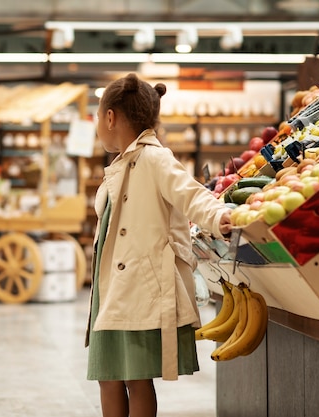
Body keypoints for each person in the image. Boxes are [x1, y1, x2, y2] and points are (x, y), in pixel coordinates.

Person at [86, 73, 232, 417]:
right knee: (108, 377)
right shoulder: (122, 161)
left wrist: (219, 216)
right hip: (111, 288)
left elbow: (191, 193)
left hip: (138, 285)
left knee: (136, 379)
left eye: (97, 116)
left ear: (110, 117)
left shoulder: (154, 157)